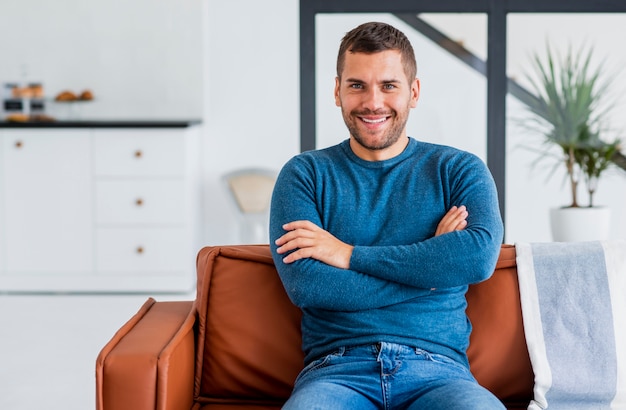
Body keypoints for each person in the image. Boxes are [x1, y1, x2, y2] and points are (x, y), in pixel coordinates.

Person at [269, 21, 505, 409]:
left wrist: (348, 255)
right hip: (336, 372)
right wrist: (434, 263)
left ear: (413, 92)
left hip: (440, 372)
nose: (373, 102)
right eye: (357, 85)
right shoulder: (304, 174)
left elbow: (477, 258)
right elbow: (309, 286)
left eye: (389, 86)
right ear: (337, 91)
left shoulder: (459, 169)